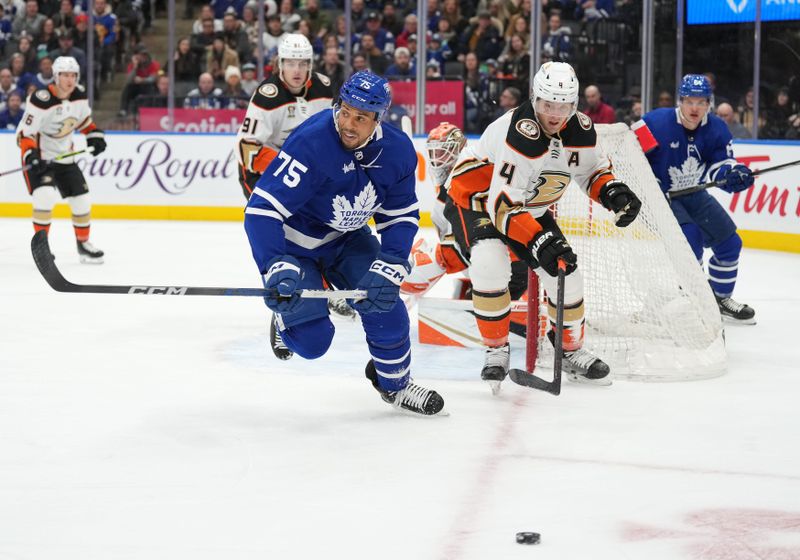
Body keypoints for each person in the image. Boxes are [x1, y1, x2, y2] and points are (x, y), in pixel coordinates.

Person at [243, 71, 445, 416]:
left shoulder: (396, 152)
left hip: (346, 241)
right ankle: (283, 321)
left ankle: (394, 385)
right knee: (312, 343)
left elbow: (399, 216)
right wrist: (275, 264)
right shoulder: (311, 142)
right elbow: (261, 212)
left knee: (386, 305)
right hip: (295, 249)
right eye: (345, 112)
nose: (349, 124)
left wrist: (392, 261)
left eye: (361, 118)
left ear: (378, 119)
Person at [443, 61, 642, 389]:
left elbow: (591, 172)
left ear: (574, 105)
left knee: (566, 271)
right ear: (535, 99)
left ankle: (569, 349)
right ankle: (495, 349)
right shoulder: (519, 132)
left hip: (525, 206)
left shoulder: (581, 129)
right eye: (548, 104)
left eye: (563, 106)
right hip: (476, 200)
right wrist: (537, 240)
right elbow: (501, 205)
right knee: (490, 263)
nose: (554, 113)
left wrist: (612, 193)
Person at [634, 74, 756, 324]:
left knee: (730, 244)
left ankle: (719, 298)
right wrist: (648, 185)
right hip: (663, 198)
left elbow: (719, 164)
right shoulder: (654, 122)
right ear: (680, 101)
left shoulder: (717, 127)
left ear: (709, 104)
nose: (694, 108)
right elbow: (633, 157)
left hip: (694, 193)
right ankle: (694, 301)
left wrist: (731, 174)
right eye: (689, 101)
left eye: (701, 102)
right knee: (692, 241)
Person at [15, 56, 107, 263]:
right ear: (56, 76)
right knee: (45, 196)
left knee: (82, 200)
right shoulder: (40, 99)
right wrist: (32, 155)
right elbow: (25, 134)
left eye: (73, 75)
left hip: (65, 158)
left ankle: (83, 245)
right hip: (40, 158)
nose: (70, 79)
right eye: (65, 75)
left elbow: (83, 122)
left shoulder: (80, 95)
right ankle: (42, 248)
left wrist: (95, 136)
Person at [234, 33, 333, 200]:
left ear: (310, 64)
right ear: (281, 64)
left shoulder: (322, 89)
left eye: (302, 64)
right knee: (274, 218)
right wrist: (290, 166)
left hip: (303, 172)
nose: (297, 70)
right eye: (290, 63)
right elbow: (247, 149)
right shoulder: (267, 96)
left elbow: (327, 135)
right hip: (261, 173)